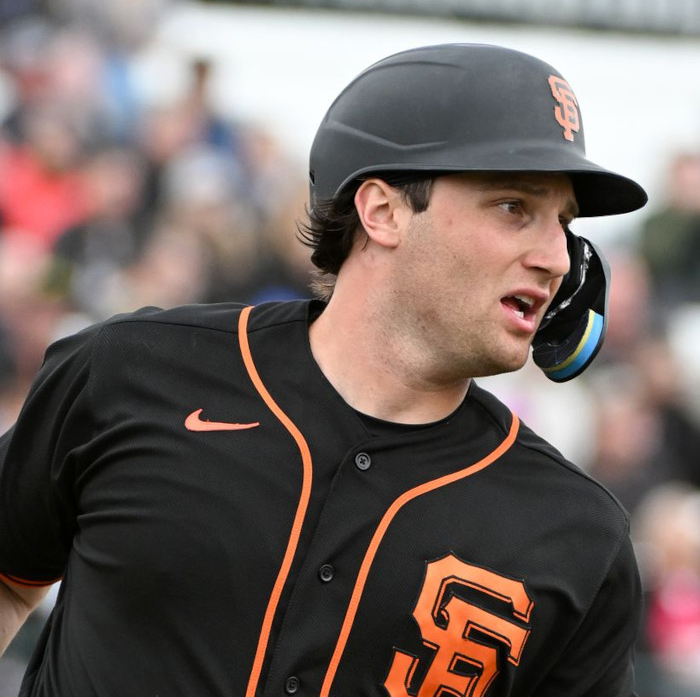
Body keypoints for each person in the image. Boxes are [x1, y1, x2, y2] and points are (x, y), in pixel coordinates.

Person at [0, 43, 648, 696]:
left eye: (563, 222)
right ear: (383, 211)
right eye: (514, 208)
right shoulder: (132, 371)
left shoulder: (579, 536)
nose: (557, 258)